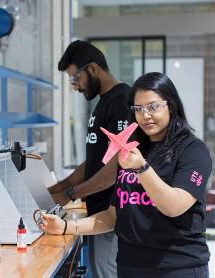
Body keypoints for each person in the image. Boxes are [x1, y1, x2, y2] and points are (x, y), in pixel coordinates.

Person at [41, 72, 212, 278]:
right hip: (129, 266)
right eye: (138, 109)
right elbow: (113, 216)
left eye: (153, 107)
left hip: (177, 268)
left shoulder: (192, 151)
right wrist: (67, 226)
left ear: (171, 106)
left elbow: (174, 206)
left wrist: (141, 168)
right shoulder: (132, 151)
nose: (145, 115)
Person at [48, 40, 133, 278]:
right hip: (99, 214)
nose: (75, 87)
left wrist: (70, 194)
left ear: (93, 68)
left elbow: (116, 167)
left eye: (76, 79)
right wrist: (60, 186)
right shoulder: (104, 103)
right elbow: (96, 160)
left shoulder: (121, 102)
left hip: (113, 217)